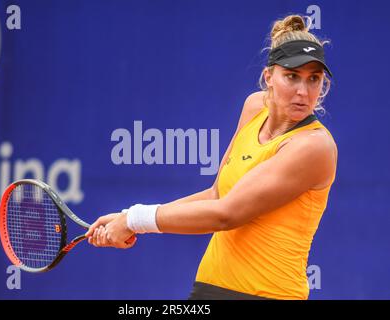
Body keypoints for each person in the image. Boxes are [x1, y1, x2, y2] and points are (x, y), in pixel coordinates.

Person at [85, 14, 338, 300]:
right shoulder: (256, 107)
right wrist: (126, 217)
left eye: (313, 79)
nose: (303, 91)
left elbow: (226, 214)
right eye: (292, 76)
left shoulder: (314, 146)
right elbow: (217, 195)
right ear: (269, 77)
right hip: (209, 288)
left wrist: (135, 219)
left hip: (268, 294)